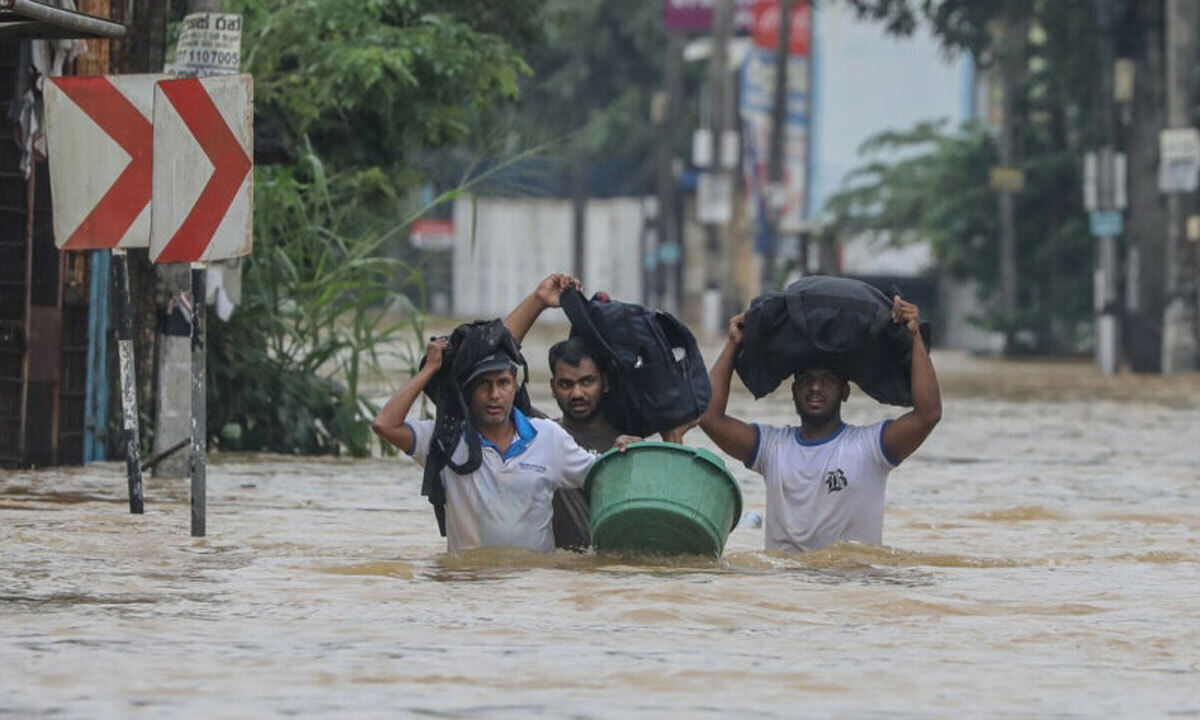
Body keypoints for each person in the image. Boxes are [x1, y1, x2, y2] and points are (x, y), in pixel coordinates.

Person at [699, 295, 942, 552]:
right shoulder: (771, 448)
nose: (816, 387)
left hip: (850, 576)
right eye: (806, 380)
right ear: (794, 391)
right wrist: (733, 344)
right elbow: (708, 416)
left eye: (827, 380)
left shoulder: (871, 447)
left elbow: (928, 414)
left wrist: (915, 337)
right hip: (784, 575)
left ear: (844, 392)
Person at [372, 337, 639, 553]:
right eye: (483, 385)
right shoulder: (446, 439)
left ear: (515, 387)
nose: (494, 395)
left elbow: (605, 476)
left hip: (532, 587)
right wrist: (430, 369)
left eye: (503, 383)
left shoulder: (548, 436)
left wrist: (627, 449)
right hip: (468, 586)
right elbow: (385, 424)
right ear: (468, 391)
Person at [502, 274, 690, 549]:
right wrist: (538, 301)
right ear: (553, 387)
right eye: (566, 384)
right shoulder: (540, 435)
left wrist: (673, 441)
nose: (577, 393)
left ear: (605, 383)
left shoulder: (630, 447)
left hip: (613, 569)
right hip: (555, 571)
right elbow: (492, 358)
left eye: (587, 381)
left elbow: (673, 523)